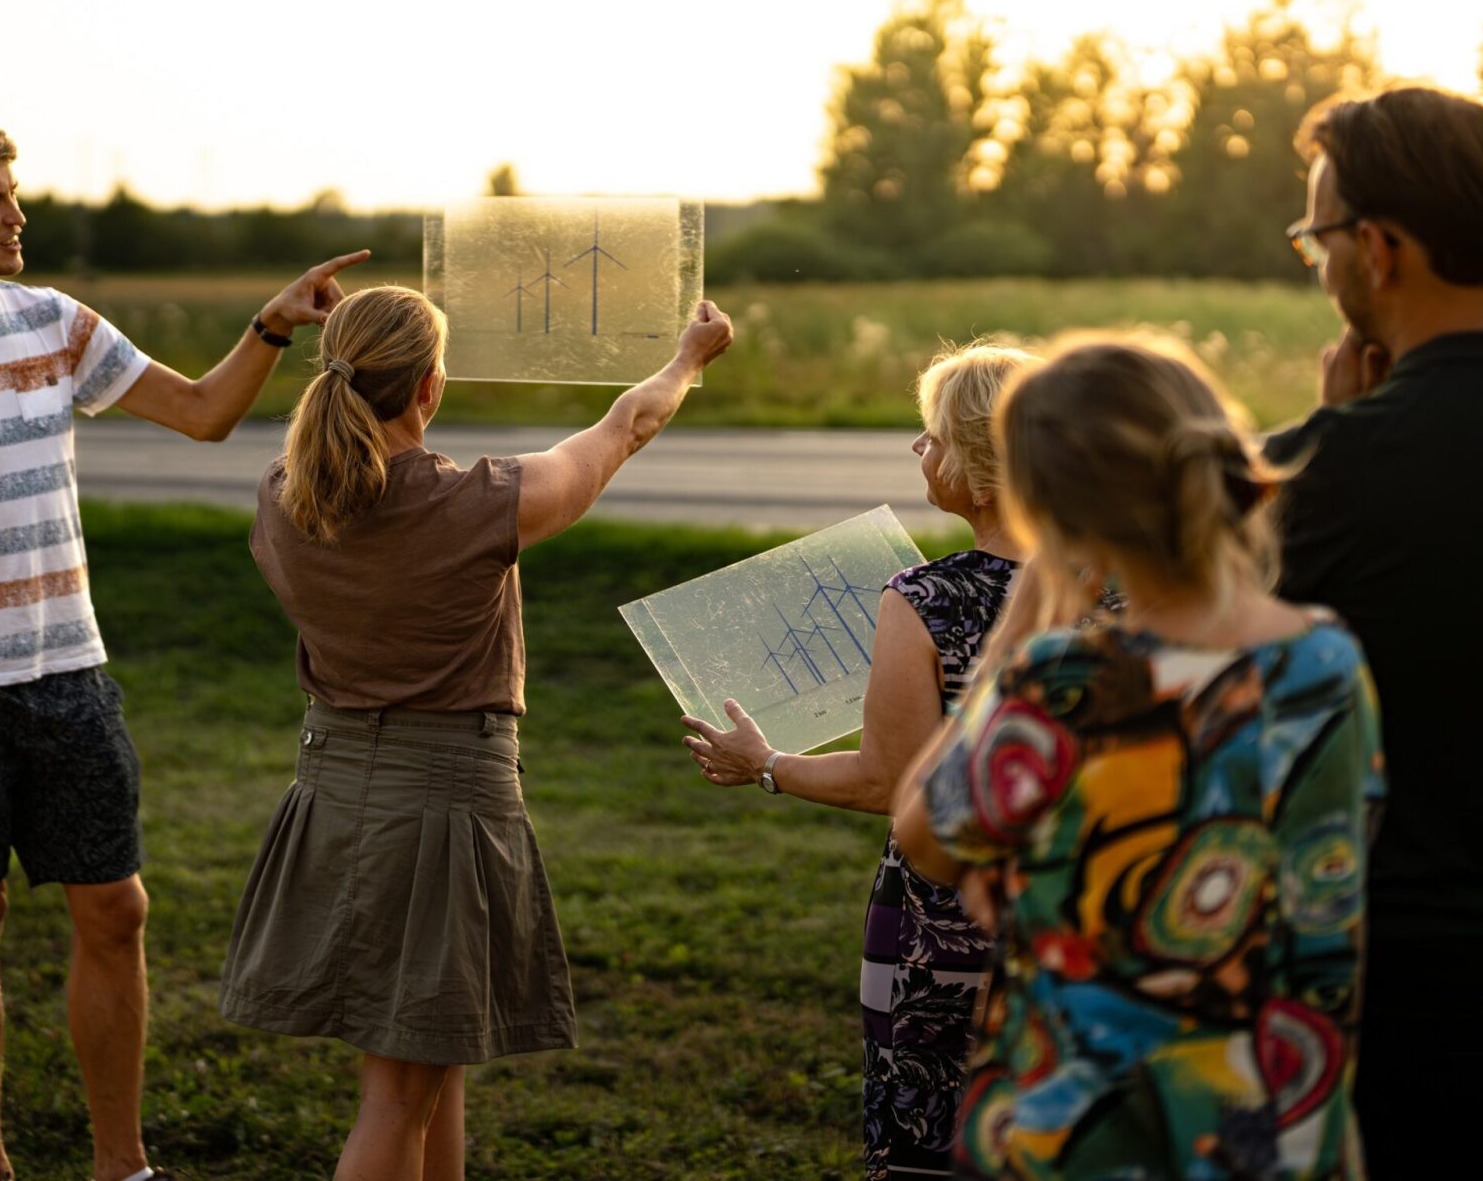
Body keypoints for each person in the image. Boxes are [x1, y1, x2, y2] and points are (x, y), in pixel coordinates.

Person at [0, 113, 368, 1181]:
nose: (18, 217)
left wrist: (273, 324)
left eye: (13, 196)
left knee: (116, 909)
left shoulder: (58, 324)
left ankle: (123, 1166)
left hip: (68, 674)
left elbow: (201, 413)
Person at [221, 284, 734, 1181]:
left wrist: (363, 337)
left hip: (333, 789)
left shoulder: (280, 498)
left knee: (435, 1058)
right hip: (444, 802)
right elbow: (623, 428)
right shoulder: (473, 505)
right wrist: (687, 359)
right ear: (428, 388)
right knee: (398, 1094)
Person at [894, 334, 1384, 1178]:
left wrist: (1014, 638)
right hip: (1276, 1117)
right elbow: (1330, 892)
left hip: (1082, 1129)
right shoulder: (1326, 664)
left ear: (1050, 508)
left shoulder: (1062, 681)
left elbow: (927, 836)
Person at [682, 342, 1035, 1181]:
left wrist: (767, 763)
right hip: (1093, 910)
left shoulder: (925, 598)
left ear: (982, 476)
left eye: (933, 438)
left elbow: (894, 781)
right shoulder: (1123, 586)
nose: (920, 451)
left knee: (931, 1150)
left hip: (944, 934)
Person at [1266, 85, 1483, 1165]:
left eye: (1314, 241)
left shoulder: (1320, 471)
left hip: (1404, 983)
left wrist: (1333, 431)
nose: (1317, 267)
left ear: (1377, 248)